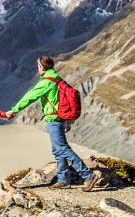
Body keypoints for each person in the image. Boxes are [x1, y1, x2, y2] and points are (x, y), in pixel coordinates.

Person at [7, 56, 104, 190]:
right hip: (61, 118)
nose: (38, 68)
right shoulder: (57, 79)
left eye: (38, 66)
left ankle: (88, 176)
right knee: (57, 150)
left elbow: (30, 97)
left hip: (54, 119)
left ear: (41, 67)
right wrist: (69, 121)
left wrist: (14, 110)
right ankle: (63, 179)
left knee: (62, 148)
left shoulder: (47, 82)